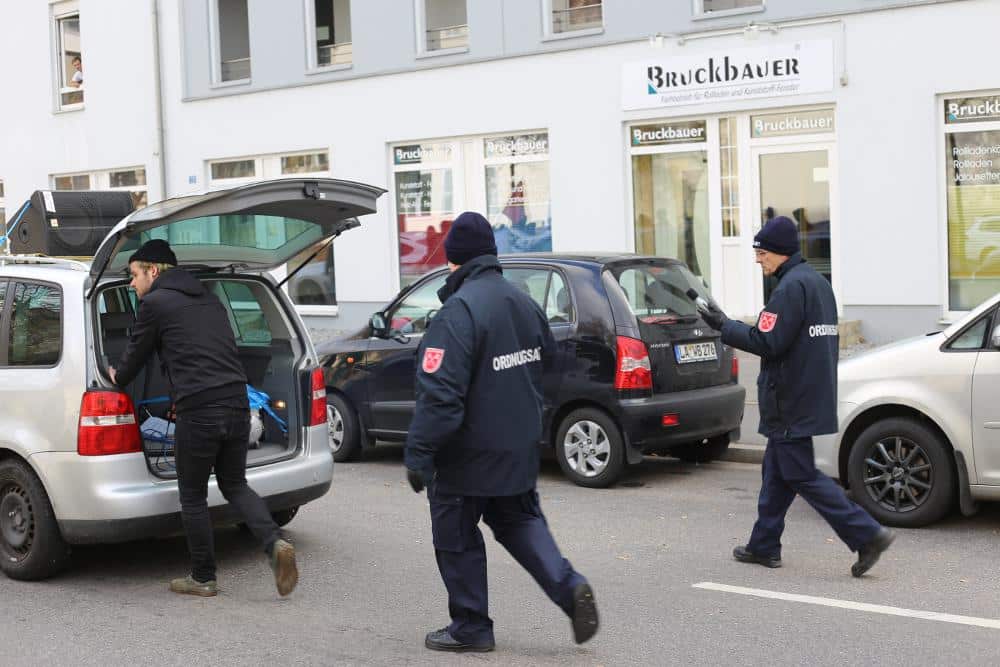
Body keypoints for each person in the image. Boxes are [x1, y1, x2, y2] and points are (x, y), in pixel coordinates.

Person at [404, 211, 599, 653]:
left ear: (453, 260)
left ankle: (471, 626)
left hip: (465, 455)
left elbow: (440, 396)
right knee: (520, 521)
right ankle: (569, 588)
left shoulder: (458, 312)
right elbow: (545, 364)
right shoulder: (522, 302)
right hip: (518, 445)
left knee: (455, 535)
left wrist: (419, 455)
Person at [696, 216, 895, 577]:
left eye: (760, 252)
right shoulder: (818, 284)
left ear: (778, 253)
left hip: (788, 400)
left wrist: (724, 326)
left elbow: (767, 342)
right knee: (776, 474)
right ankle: (763, 545)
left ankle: (867, 535)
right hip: (808, 395)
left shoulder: (788, 290)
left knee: (801, 475)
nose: (758, 260)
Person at [110, 239, 298, 598]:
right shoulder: (210, 300)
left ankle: (203, 577)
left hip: (201, 411)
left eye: (133, 275)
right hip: (237, 403)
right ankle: (273, 542)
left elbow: (134, 358)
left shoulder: (154, 303)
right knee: (234, 484)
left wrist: (115, 376)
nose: (131, 284)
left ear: (153, 270)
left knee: (192, 495)